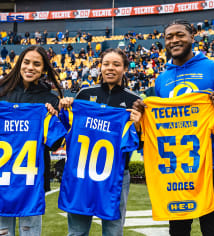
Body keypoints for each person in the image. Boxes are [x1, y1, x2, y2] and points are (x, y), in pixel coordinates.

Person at [133, 19, 214, 236]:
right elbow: (161, 120)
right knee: (177, 230)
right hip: (175, 167)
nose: (174, 40)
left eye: (180, 35)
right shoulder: (162, 79)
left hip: (211, 163)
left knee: (213, 230)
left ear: (192, 37)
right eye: (169, 37)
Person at [0, 45, 64, 236]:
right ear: (19, 64)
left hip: (31, 180)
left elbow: (55, 144)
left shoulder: (48, 99)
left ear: (43, 69)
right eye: (26, 62)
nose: (30, 67)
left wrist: (54, 118)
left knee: (30, 233)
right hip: (0, 177)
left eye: (36, 64)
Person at [59, 48, 142, 236]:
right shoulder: (85, 95)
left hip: (117, 174)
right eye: (106, 64)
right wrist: (64, 106)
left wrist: (137, 126)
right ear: (100, 67)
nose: (110, 68)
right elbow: (68, 129)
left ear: (125, 69)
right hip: (82, 171)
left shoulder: (134, 100)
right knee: (77, 231)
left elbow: (140, 144)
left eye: (116, 64)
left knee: (113, 231)